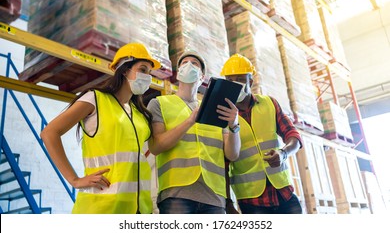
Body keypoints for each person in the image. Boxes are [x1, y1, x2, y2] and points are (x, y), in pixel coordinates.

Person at [40, 42, 161, 214]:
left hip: (137, 208)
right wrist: (74, 180)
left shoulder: (139, 113)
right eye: (142, 69)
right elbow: (49, 132)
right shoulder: (95, 99)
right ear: (125, 70)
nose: (147, 76)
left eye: (149, 72)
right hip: (102, 208)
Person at [147, 50, 241, 214]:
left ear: (202, 77)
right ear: (178, 75)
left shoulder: (216, 108)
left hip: (214, 196)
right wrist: (190, 121)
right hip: (176, 195)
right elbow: (156, 146)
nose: (189, 65)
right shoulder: (158, 104)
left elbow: (232, 154)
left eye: (195, 64)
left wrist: (234, 125)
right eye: (184, 63)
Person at [221, 53, 303, 214]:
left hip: (284, 194)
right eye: (230, 81)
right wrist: (227, 202)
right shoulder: (223, 116)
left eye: (240, 79)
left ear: (250, 81)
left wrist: (283, 153)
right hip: (251, 201)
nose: (235, 85)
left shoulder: (269, 104)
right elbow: (223, 164)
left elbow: (294, 137)